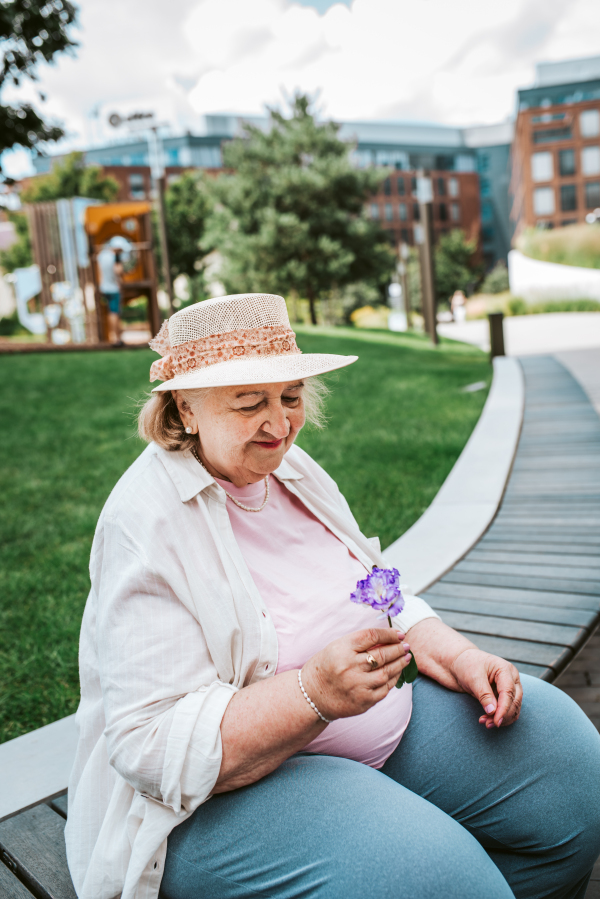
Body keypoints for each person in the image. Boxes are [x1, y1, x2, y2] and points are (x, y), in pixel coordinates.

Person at [65, 293, 600, 899]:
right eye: (249, 404)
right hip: (231, 795)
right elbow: (148, 746)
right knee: (442, 878)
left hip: (375, 730)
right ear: (185, 408)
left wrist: (451, 651)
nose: (279, 425)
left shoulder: (289, 470)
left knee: (574, 784)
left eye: (290, 397)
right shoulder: (144, 522)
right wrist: (312, 694)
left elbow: (374, 589)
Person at [97, 241, 124, 345]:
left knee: (110, 311)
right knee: (114, 312)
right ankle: (116, 338)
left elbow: (99, 272)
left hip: (104, 287)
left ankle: (113, 337)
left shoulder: (101, 255)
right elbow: (118, 271)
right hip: (113, 288)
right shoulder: (115, 257)